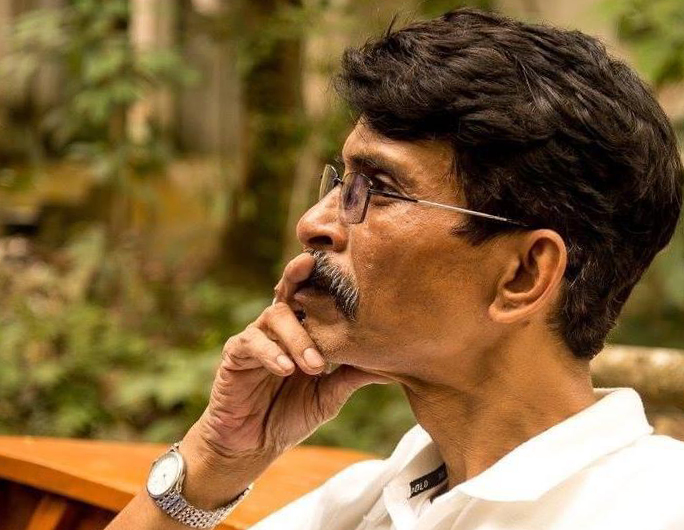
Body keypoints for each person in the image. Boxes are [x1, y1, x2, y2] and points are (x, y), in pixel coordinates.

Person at [106, 8, 684, 530]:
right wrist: (216, 458)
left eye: (377, 189)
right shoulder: (375, 501)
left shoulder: (653, 507)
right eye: (340, 183)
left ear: (523, 276)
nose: (313, 223)